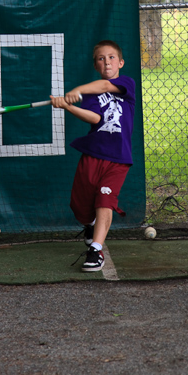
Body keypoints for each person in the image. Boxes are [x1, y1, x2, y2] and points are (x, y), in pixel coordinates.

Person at [50, 40, 135, 272]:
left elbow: (105, 87)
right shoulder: (90, 96)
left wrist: (77, 90)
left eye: (111, 57)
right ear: (95, 64)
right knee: (79, 206)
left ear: (121, 62)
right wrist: (67, 106)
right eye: (100, 58)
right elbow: (95, 119)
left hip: (118, 158)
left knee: (105, 199)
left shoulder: (126, 83)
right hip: (93, 154)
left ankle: (95, 250)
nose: (106, 61)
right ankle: (89, 225)